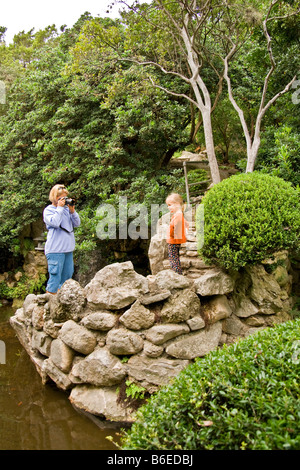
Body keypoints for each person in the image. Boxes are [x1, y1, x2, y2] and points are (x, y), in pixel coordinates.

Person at [43, 184, 80, 294]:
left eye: (65, 197)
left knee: (66, 280)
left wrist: (72, 211)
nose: (64, 200)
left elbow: (77, 224)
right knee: (54, 279)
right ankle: (48, 306)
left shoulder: (66, 211)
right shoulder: (49, 210)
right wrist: (59, 208)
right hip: (55, 250)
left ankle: (60, 304)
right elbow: (54, 222)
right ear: (55, 198)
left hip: (68, 250)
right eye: (61, 198)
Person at [166, 193, 189, 275]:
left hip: (173, 241)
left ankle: (177, 274)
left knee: (173, 258)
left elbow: (175, 229)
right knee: (175, 257)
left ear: (176, 204)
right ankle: (178, 273)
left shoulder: (177, 216)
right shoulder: (179, 214)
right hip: (176, 240)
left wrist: (171, 235)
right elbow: (186, 224)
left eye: (170, 205)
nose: (168, 207)